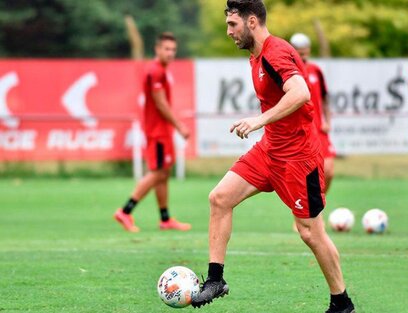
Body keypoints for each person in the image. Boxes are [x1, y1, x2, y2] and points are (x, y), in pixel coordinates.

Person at [192, 1, 355, 312]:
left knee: (310, 232)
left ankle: (341, 302)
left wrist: (258, 120)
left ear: (252, 21)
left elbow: (301, 92)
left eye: (233, 25)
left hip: (298, 157)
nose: (229, 32)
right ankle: (215, 280)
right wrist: (265, 126)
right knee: (219, 198)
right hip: (270, 151)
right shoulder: (256, 56)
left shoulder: (276, 51)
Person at [114, 32, 191, 233]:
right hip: (157, 131)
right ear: (157, 50)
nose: (171, 53)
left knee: (163, 173)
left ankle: (165, 219)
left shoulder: (162, 71)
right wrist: (179, 126)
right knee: (157, 173)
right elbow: (161, 103)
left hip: (161, 130)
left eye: (173, 50)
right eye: (166, 49)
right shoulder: (155, 71)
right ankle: (125, 210)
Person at [290, 33, 336, 232]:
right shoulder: (290, 72)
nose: (302, 55)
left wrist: (327, 120)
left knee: (329, 171)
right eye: (298, 52)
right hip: (303, 131)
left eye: (305, 51)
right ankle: (304, 214)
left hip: (320, 129)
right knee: (305, 177)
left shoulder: (316, 70)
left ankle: (315, 211)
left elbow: (325, 97)